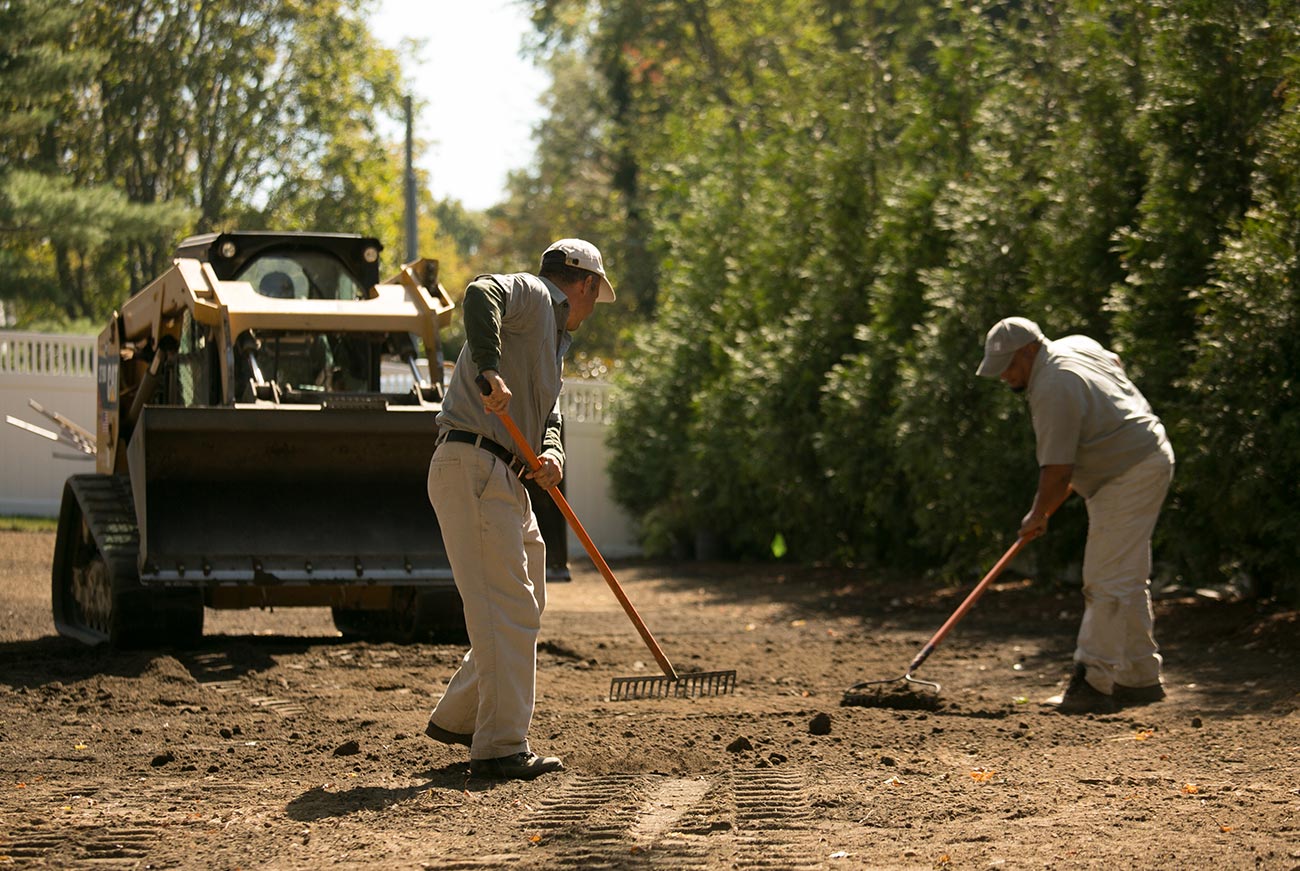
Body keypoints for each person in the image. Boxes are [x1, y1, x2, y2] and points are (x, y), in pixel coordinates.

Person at [423, 239, 615, 779]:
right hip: (475, 463)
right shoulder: (534, 295)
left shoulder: (553, 340)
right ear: (583, 284)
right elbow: (480, 291)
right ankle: (501, 745)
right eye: (597, 294)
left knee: (525, 596)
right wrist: (488, 370)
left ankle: (464, 718)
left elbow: (547, 415)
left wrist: (551, 452)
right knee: (506, 606)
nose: (595, 306)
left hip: (505, 474)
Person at [977, 317, 1175, 715]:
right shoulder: (1078, 344)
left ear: (1030, 350)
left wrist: (1038, 513)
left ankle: (1092, 683)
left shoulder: (1052, 385)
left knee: (1104, 580)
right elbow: (1114, 363)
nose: (1005, 377)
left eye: (1009, 367)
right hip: (1141, 460)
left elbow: (1058, 470)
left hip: (1128, 472)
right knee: (1125, 578)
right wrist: (1044, 510)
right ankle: (1139, 679)